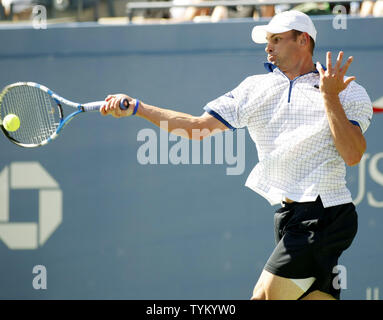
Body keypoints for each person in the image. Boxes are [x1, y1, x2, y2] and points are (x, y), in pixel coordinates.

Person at [100, 10, 373, 300]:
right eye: (267, 41)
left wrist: (330, 96)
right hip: (288, 215)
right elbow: (197, 128)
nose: (268, 47)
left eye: (277, 40)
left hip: (325, 212)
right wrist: (138, 108)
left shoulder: (347, 92)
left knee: (264, 297)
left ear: (303, 40)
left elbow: (353, 154)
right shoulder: (253, 88)